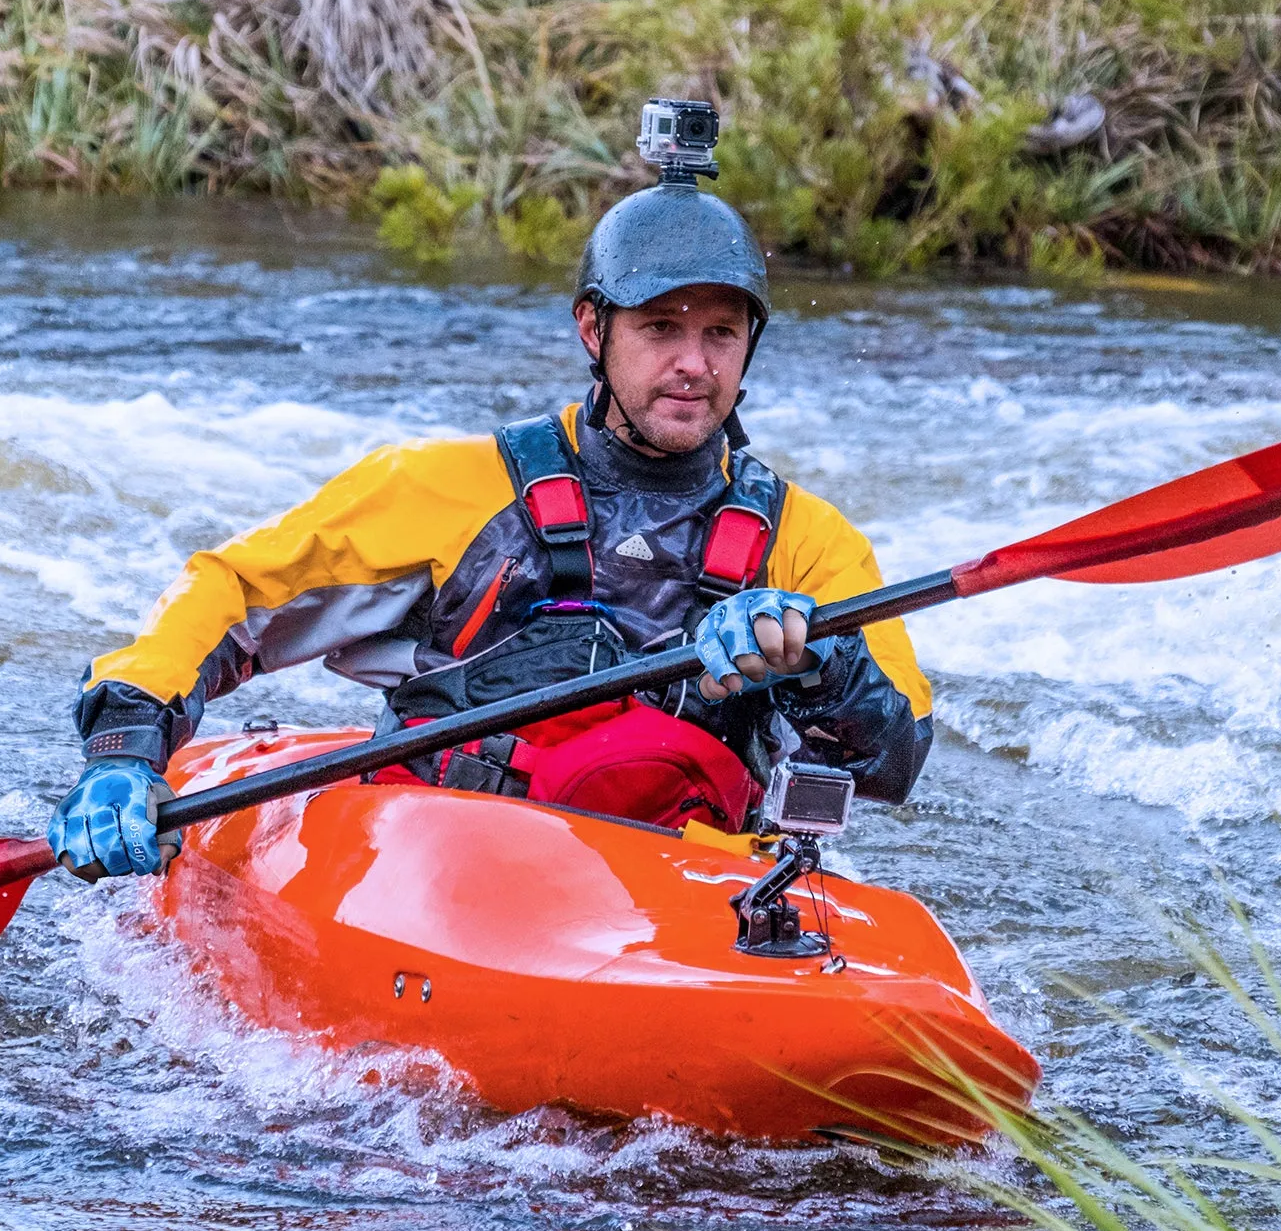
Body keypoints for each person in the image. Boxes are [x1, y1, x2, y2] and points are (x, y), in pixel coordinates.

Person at [49, 170, 932, 880]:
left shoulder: (808, 543)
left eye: (722, 335)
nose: (694, 365)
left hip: (677, 877)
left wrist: (818, 656)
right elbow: (234, 594)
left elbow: (897, 759)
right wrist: (126, 746)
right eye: (662, 328)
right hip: (449, 857)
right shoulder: (452, 488)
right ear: (594, 328)